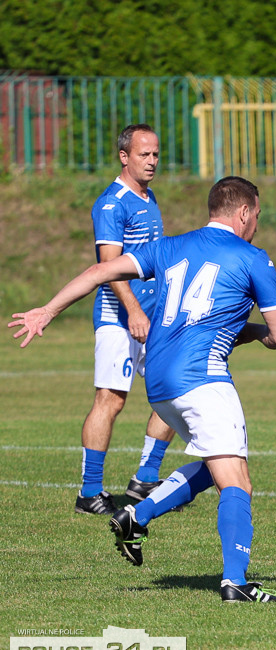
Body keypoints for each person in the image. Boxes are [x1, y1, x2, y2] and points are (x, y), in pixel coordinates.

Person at [10, 176, 276, 603]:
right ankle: (235, 581)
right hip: (203, 377)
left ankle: (136, 515)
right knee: (237, 480)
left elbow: (100, 270)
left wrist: (47, 310)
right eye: (257, 215)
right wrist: (248, 331)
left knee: (214, 462)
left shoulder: (170, 246)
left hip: (159, 384)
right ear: (244, 213)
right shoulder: (254, 259)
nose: (257, 223)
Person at [77, 123, 178, 515]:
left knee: (172, 393)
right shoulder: (111, 203)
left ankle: (144, 481)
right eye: (144, 154)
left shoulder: (148, 197)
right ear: (124, 156)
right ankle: (89, 493)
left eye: (155, 154)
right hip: (118, 318)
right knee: (111, 400)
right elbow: (108, 266)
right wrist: (133, 309)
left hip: (154, 318)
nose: (152, 161)